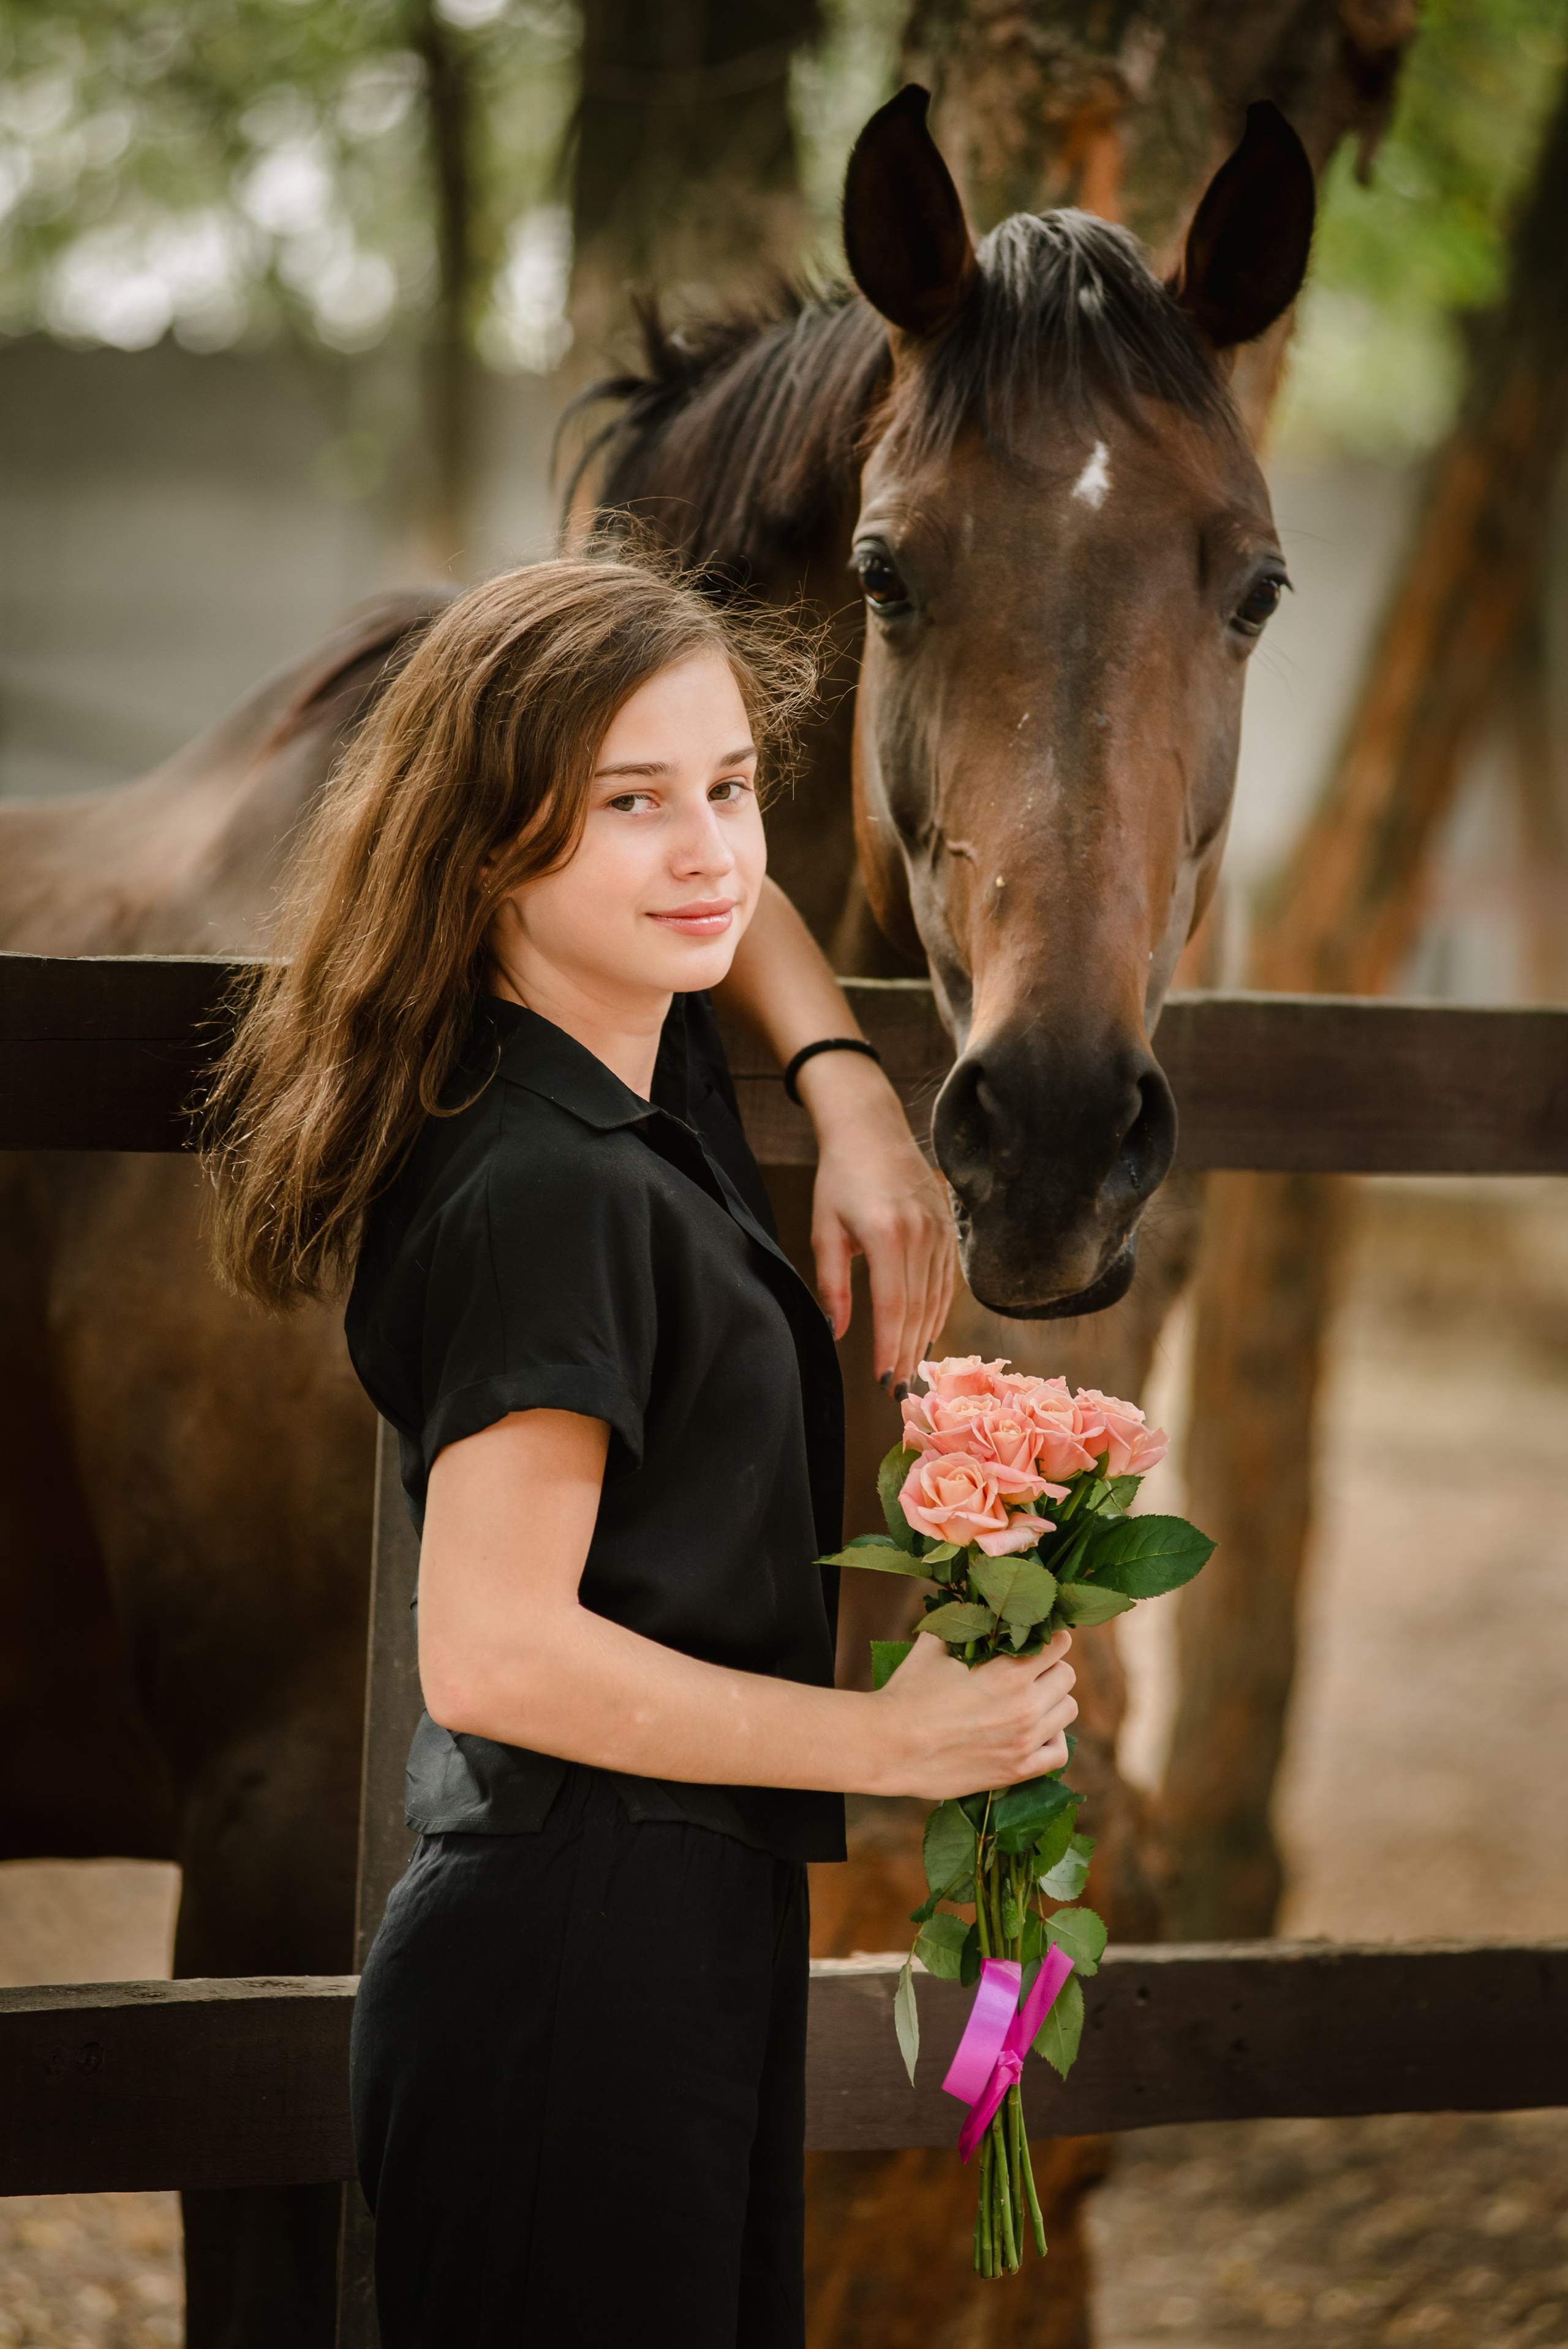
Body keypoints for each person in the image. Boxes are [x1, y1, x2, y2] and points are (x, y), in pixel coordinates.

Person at [205, 557, 1077, 2348]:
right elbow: (495, 1648)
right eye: (631, 803)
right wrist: (894, 1740)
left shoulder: (618, 1081)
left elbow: (714, 909)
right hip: (568, 1980)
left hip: (669, 1942)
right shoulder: (552, 1188)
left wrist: (837, 1073)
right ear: (487, 847)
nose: (710, 852)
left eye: (736, 786)